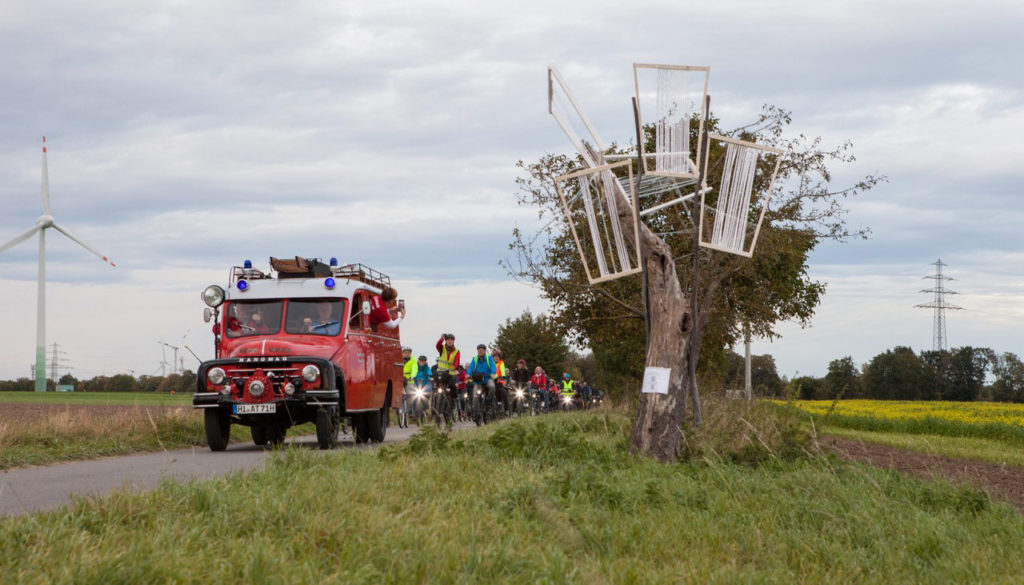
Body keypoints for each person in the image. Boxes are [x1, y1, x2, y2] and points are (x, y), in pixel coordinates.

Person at [466, 344, 497, 422]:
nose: (480, 351)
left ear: (485, 351)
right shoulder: (475, 359)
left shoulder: (489, 358)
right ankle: (476, 414)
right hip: (478, 381)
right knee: (475, 397)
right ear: (477, 351)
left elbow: (493, 366)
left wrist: (493, 373)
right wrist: (468, 374)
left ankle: (488, 400)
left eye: (482, 349)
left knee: (492, 387)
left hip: (487, 379)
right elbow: (470, 368)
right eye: (479, 349)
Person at [492, 349, 509, 416]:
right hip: (491, 380)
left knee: (501, 391)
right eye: (495, 356)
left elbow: (502, 371)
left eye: (498, 356)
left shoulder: (501, 363)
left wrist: (503, 376)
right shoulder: (491, 363)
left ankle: (503, 407)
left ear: (500, 357)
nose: (496, 358)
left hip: (499, 380)